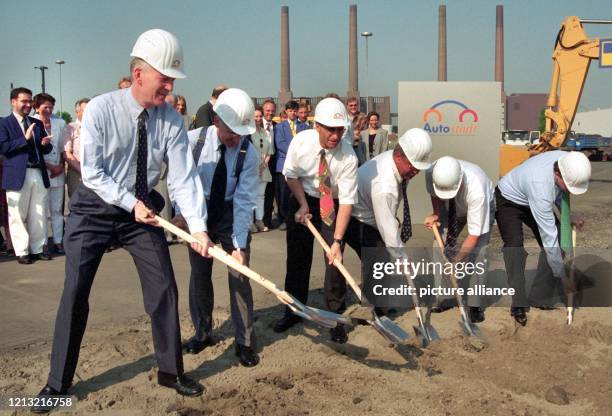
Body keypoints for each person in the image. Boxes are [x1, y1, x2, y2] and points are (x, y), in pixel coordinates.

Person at [31, 29, 213, 413]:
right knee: (76, 291)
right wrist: (130, 203)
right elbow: (93, 173)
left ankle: (169, 369)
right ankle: (57, 383)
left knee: (164, 287)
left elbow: (183, 177)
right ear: (138, 73)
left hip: (141, 213)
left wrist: (198, 227)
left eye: (172, 80)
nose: (169, 87)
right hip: (94, 209)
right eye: (164, 78)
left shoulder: (171, 120)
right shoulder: (100, 109)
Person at [177, 88, 260, 367]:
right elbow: (181, 183)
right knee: (200, 274)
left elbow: (244, 200)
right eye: (231, 132)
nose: (236, 138)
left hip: (229, 211)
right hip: (198, 209)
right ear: (216, 122)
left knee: (239, 274)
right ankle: (202, 333)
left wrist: (238, 246)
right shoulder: (192, 143)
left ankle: (245, 341)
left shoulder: (249, 154)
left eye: (241, 133)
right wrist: (182, 215)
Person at [272, 98, 358, 344]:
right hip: (302, 196)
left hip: (332, 203)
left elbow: (348, 202)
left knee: (334, 262)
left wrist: (337, 241)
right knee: (297, 259)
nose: (335, 135)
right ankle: (293, 311)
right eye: (330, 129)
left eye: (339, 129)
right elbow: (291, 175)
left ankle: (334, 318)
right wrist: (302, 204)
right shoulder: (301, 142)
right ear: (317, 126)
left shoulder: (348, 156)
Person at [496, 150, 590, 326]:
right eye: (568, 185)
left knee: (561, 241)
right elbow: (549, 239)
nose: (569, 190)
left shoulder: (568, 161)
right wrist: (563, 277)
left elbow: (561, 194)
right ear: (557, 173)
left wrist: (568, 216)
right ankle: (519, 302)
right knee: (515, 247)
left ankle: (539, 297)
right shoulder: (540, 187)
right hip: (508, 199)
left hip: (534, 192)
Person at [423, 156, 495, 322]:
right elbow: (434, 194)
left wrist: (456, 261)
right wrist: (437, 213)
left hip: (479, 207)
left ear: (460, 181)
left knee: (479, 253)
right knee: (438, 245)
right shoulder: (431, 173)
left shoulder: (477, 187)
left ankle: (475, 305)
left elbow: (474, 235)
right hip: (450, 208)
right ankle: (443, 296)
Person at [0, 87, 53, 265]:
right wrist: (25, 138)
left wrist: (45, 144)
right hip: (16, 174)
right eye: (24, 101)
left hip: (37, 172)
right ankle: (22, 251)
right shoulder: (4, 123)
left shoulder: (36, 123)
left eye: (30, 101)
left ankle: (38, 249)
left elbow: (45, 148)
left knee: (38, 212)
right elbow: (3, 147)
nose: (28, 105)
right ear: (13, 102)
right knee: (17, 214)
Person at [33, 93, 67, 255]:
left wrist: (60, 166)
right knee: (41, 210)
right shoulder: (31, 122)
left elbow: (64, 147)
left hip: (58, 172)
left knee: (56, 210)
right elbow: (31, 150)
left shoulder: (59, 122)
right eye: (45, 106)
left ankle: (59, 241)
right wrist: (49, 166)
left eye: (51, 107)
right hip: (41, 171)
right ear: (36, 107)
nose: (48, 110)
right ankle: (43, 243)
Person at [274, 100, 308, 230]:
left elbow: (306, 144)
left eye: (295, 111)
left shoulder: (304, 127)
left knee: (297, 193)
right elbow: (280, 144)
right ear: (286, 112)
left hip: (300, 166)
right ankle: (283, 218)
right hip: (284, 164)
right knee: (283, 193)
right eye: (290, 111)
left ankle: (296, 216)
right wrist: (294, 152)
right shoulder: (279, 127)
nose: (293, 113)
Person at [251, 107, 274, 232]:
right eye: (256, 116)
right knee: (250, 196)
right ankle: (250, 222)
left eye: (260, 116)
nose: (258, 119)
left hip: (264, 168)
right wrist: (256, 166)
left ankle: (259, 220)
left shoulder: (266, 133)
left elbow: (270, 151)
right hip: (251, 169)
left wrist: (263, 165)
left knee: (260, 196)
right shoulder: (247, 133)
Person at [64, 98, 89, 198]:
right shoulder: (70, 127)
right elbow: (66, 153)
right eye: (85, 110)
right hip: (77, 173)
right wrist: (82, 171)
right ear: (77, 112)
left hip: (95, 173)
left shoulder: (97, 127)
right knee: (77, 204)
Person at [261, 99, 277, 229]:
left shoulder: (277, 126)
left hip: (272, 166)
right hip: (258, 165)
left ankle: (267, 220)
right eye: (267, 110)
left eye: (272, 111)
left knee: (269, 194)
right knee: (258, 194)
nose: (270, 113)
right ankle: (257, 220)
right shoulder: (256, 125)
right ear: (263, 110)